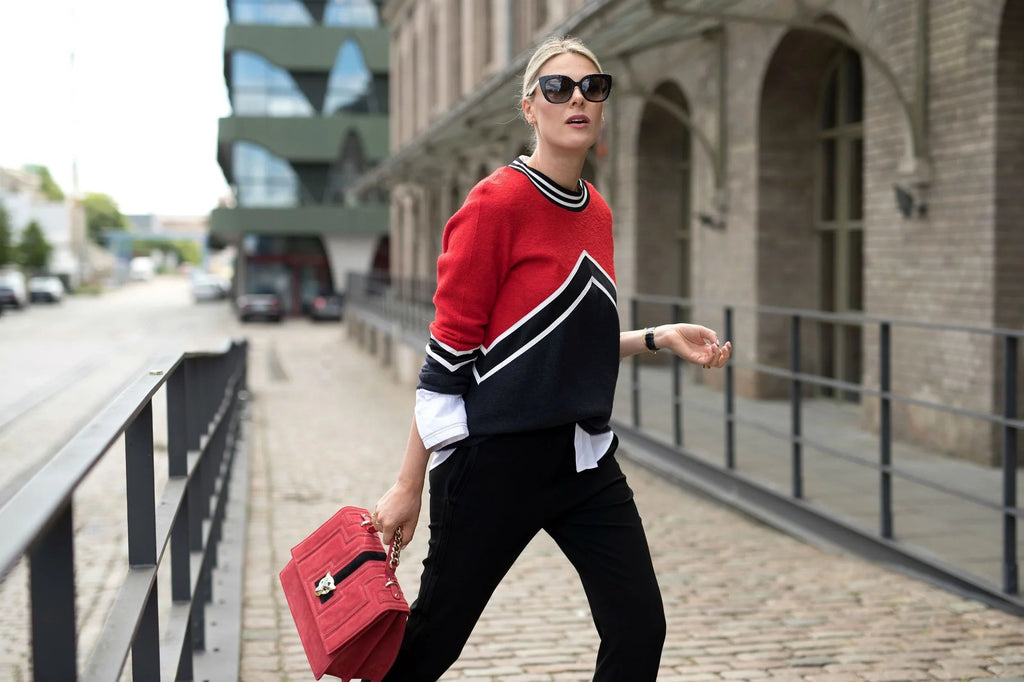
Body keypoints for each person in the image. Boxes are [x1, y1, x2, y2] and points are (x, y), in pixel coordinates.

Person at [369, 35, 732, 682]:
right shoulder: (494, 205)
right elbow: (445, 361)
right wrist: (408, 484)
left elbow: (563, 338)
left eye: (594, 89)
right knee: (431, 645)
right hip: (494, 465)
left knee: (639, 627)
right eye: (558, 88)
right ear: (529, 108)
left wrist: (657, 337)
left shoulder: (597, 211)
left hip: (584, 461)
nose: (578, 100)